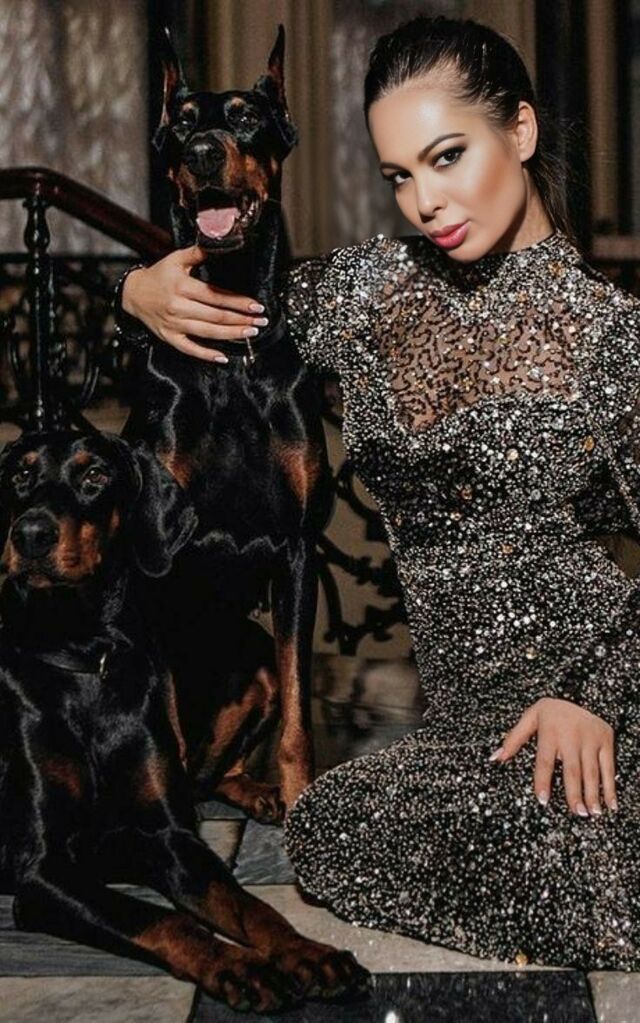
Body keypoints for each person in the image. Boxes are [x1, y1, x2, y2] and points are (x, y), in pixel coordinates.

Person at [116, 15, 640, 970]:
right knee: (331, 829)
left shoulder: (609, 333)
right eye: (400, 175)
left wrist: (590, 694)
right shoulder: (368, 291)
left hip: (599, 697)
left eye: (448, 157)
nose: (426, 201)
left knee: (574, 833)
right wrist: (135, 294)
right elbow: (230, 292)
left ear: (520, 130)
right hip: (466, 735)